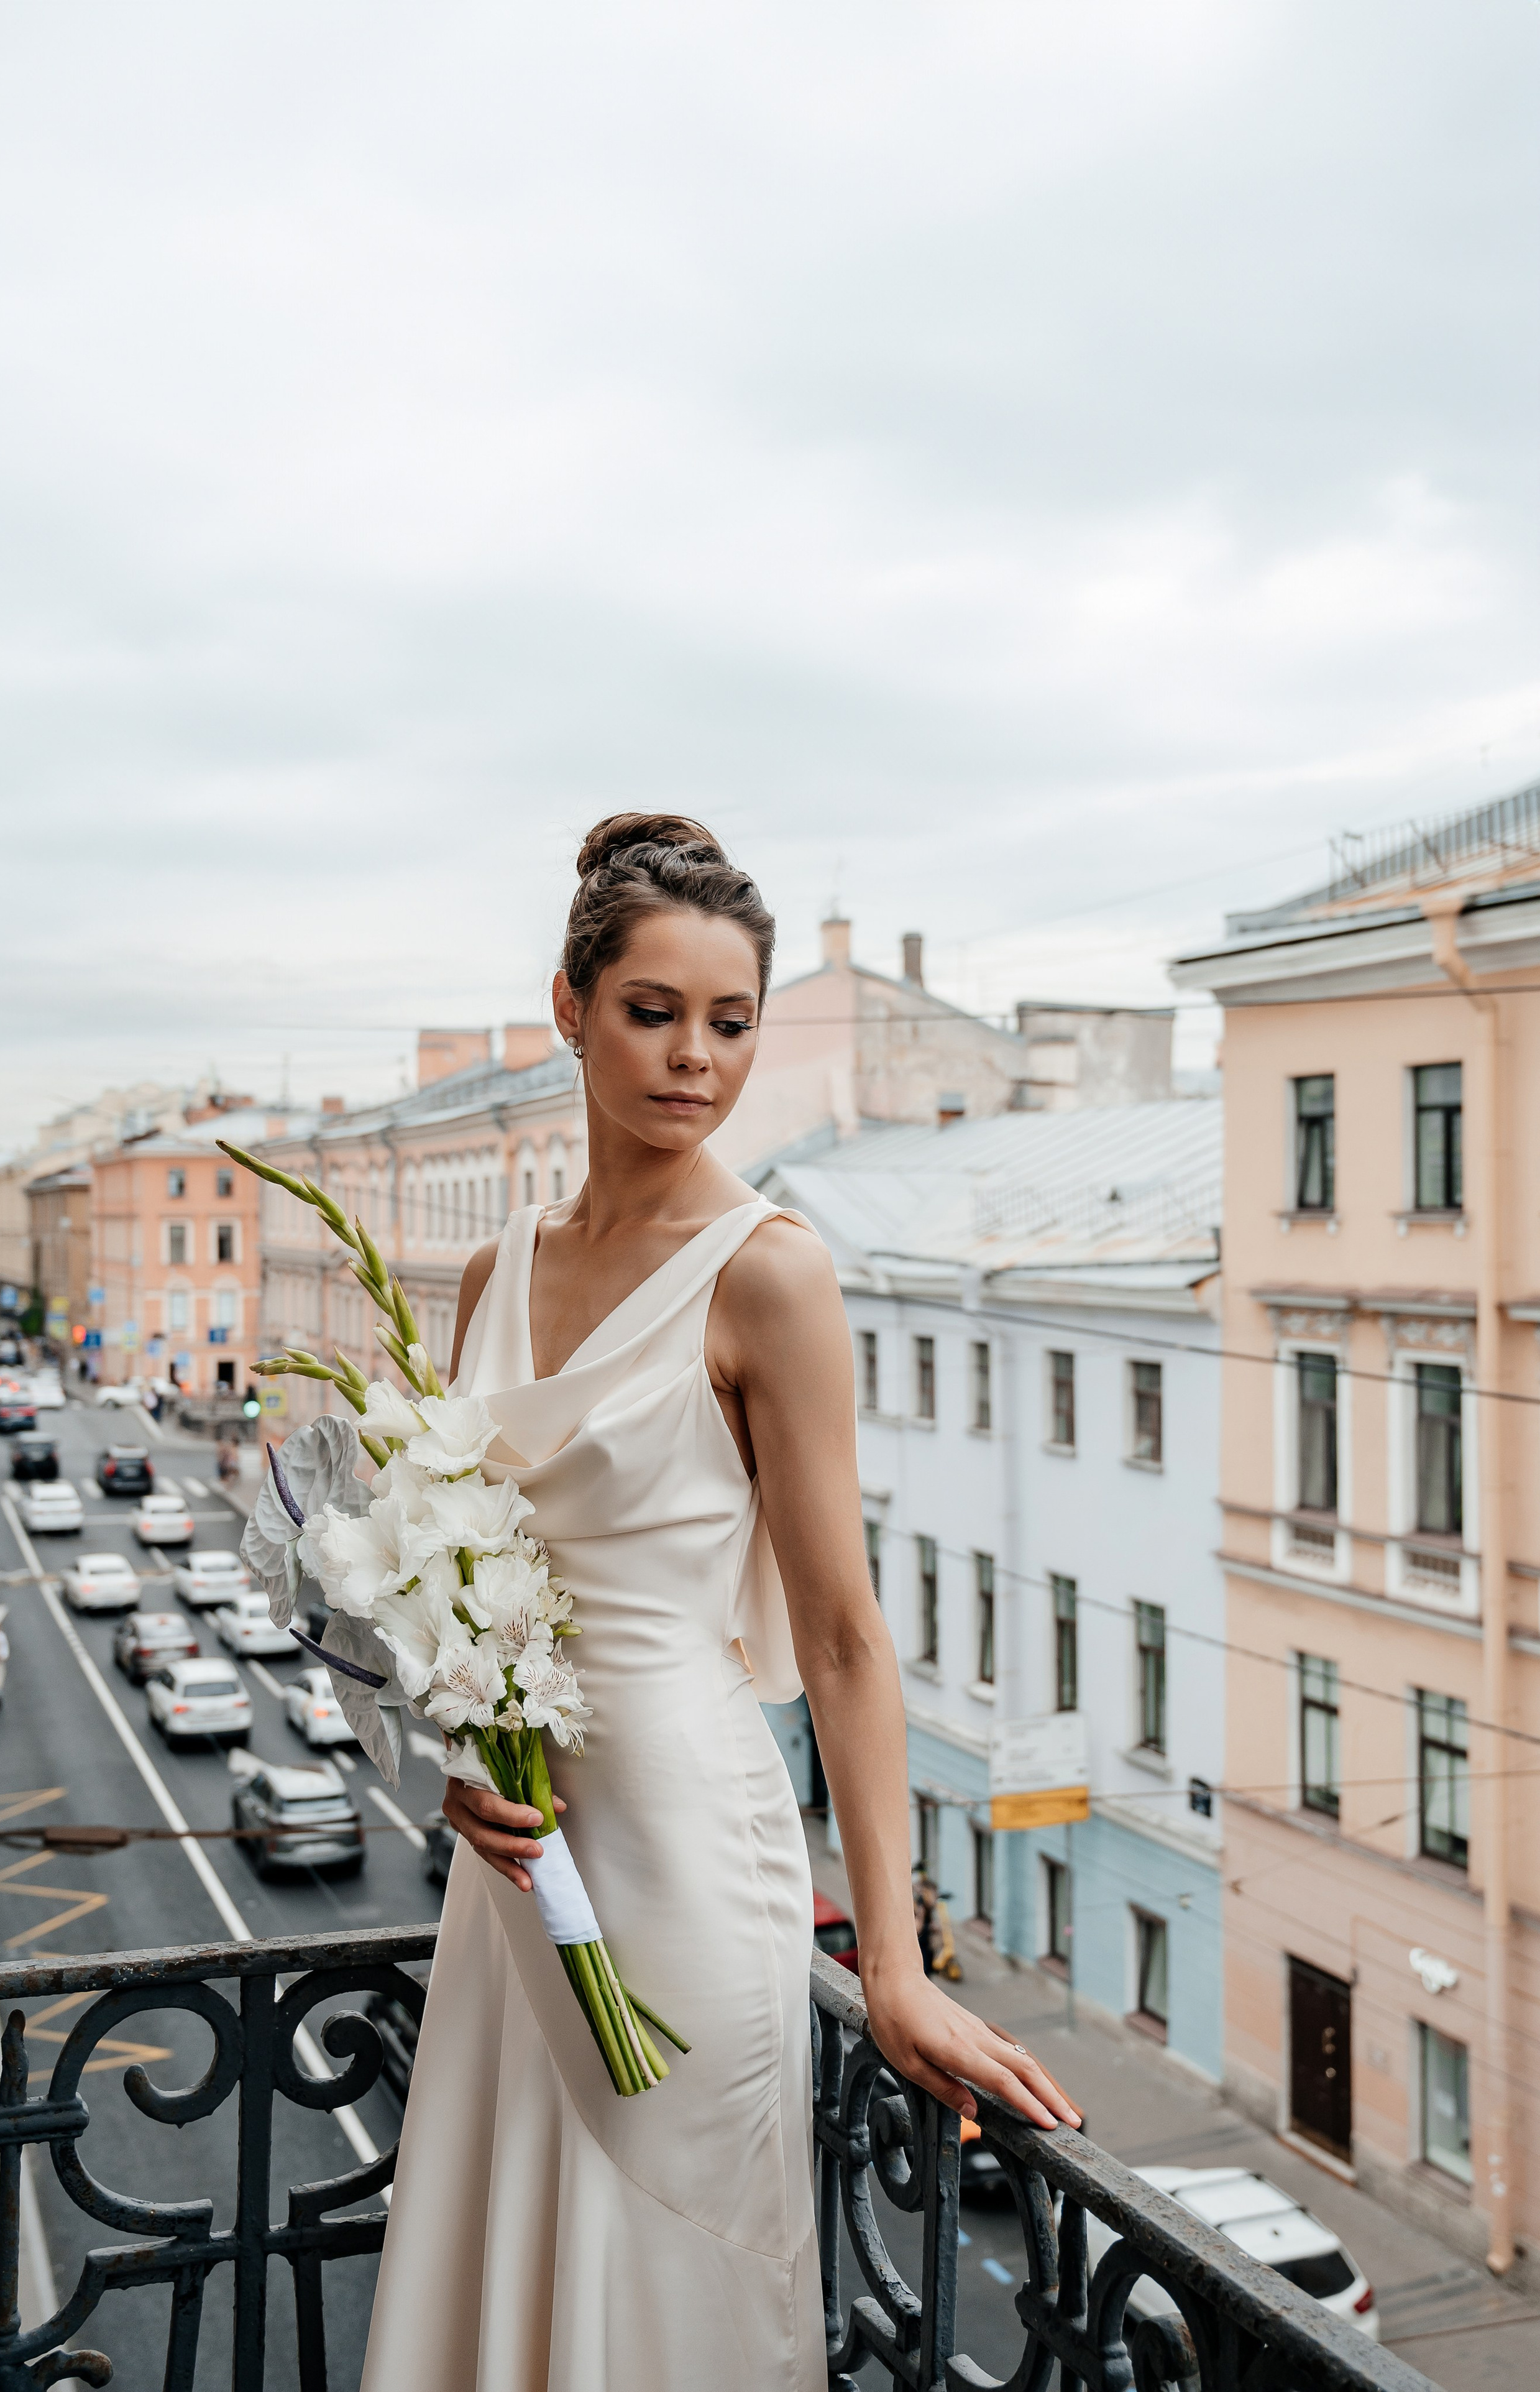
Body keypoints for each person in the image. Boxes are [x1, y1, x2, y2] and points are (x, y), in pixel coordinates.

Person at [361, 816, 1079, 2392]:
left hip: (685, 1855)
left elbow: (838, 1638)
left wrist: (891, 1963)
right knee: (512, 2261)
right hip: (518, 1866)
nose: (695, 1056)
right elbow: (454, 1574)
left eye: (732, 1021)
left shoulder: (770, 1270)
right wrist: (459, 1754)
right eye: (652, 1009)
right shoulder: (489, 1273)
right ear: (568, 1005)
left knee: (665, 2279)